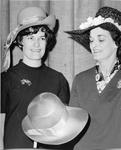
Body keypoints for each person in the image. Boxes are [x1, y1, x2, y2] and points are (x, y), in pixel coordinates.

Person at [1, 6, 70, 149]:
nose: (37, 44)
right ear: (20, 41)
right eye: (31, 37)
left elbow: (63, 127)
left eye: (42, 38)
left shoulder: (58, 79)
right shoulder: (7, 78)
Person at [66, 6, 121, 149]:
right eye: (91, 40)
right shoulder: (80, 79)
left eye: (101, 39)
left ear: (116, 43)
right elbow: (71, 127)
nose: (94, 45)